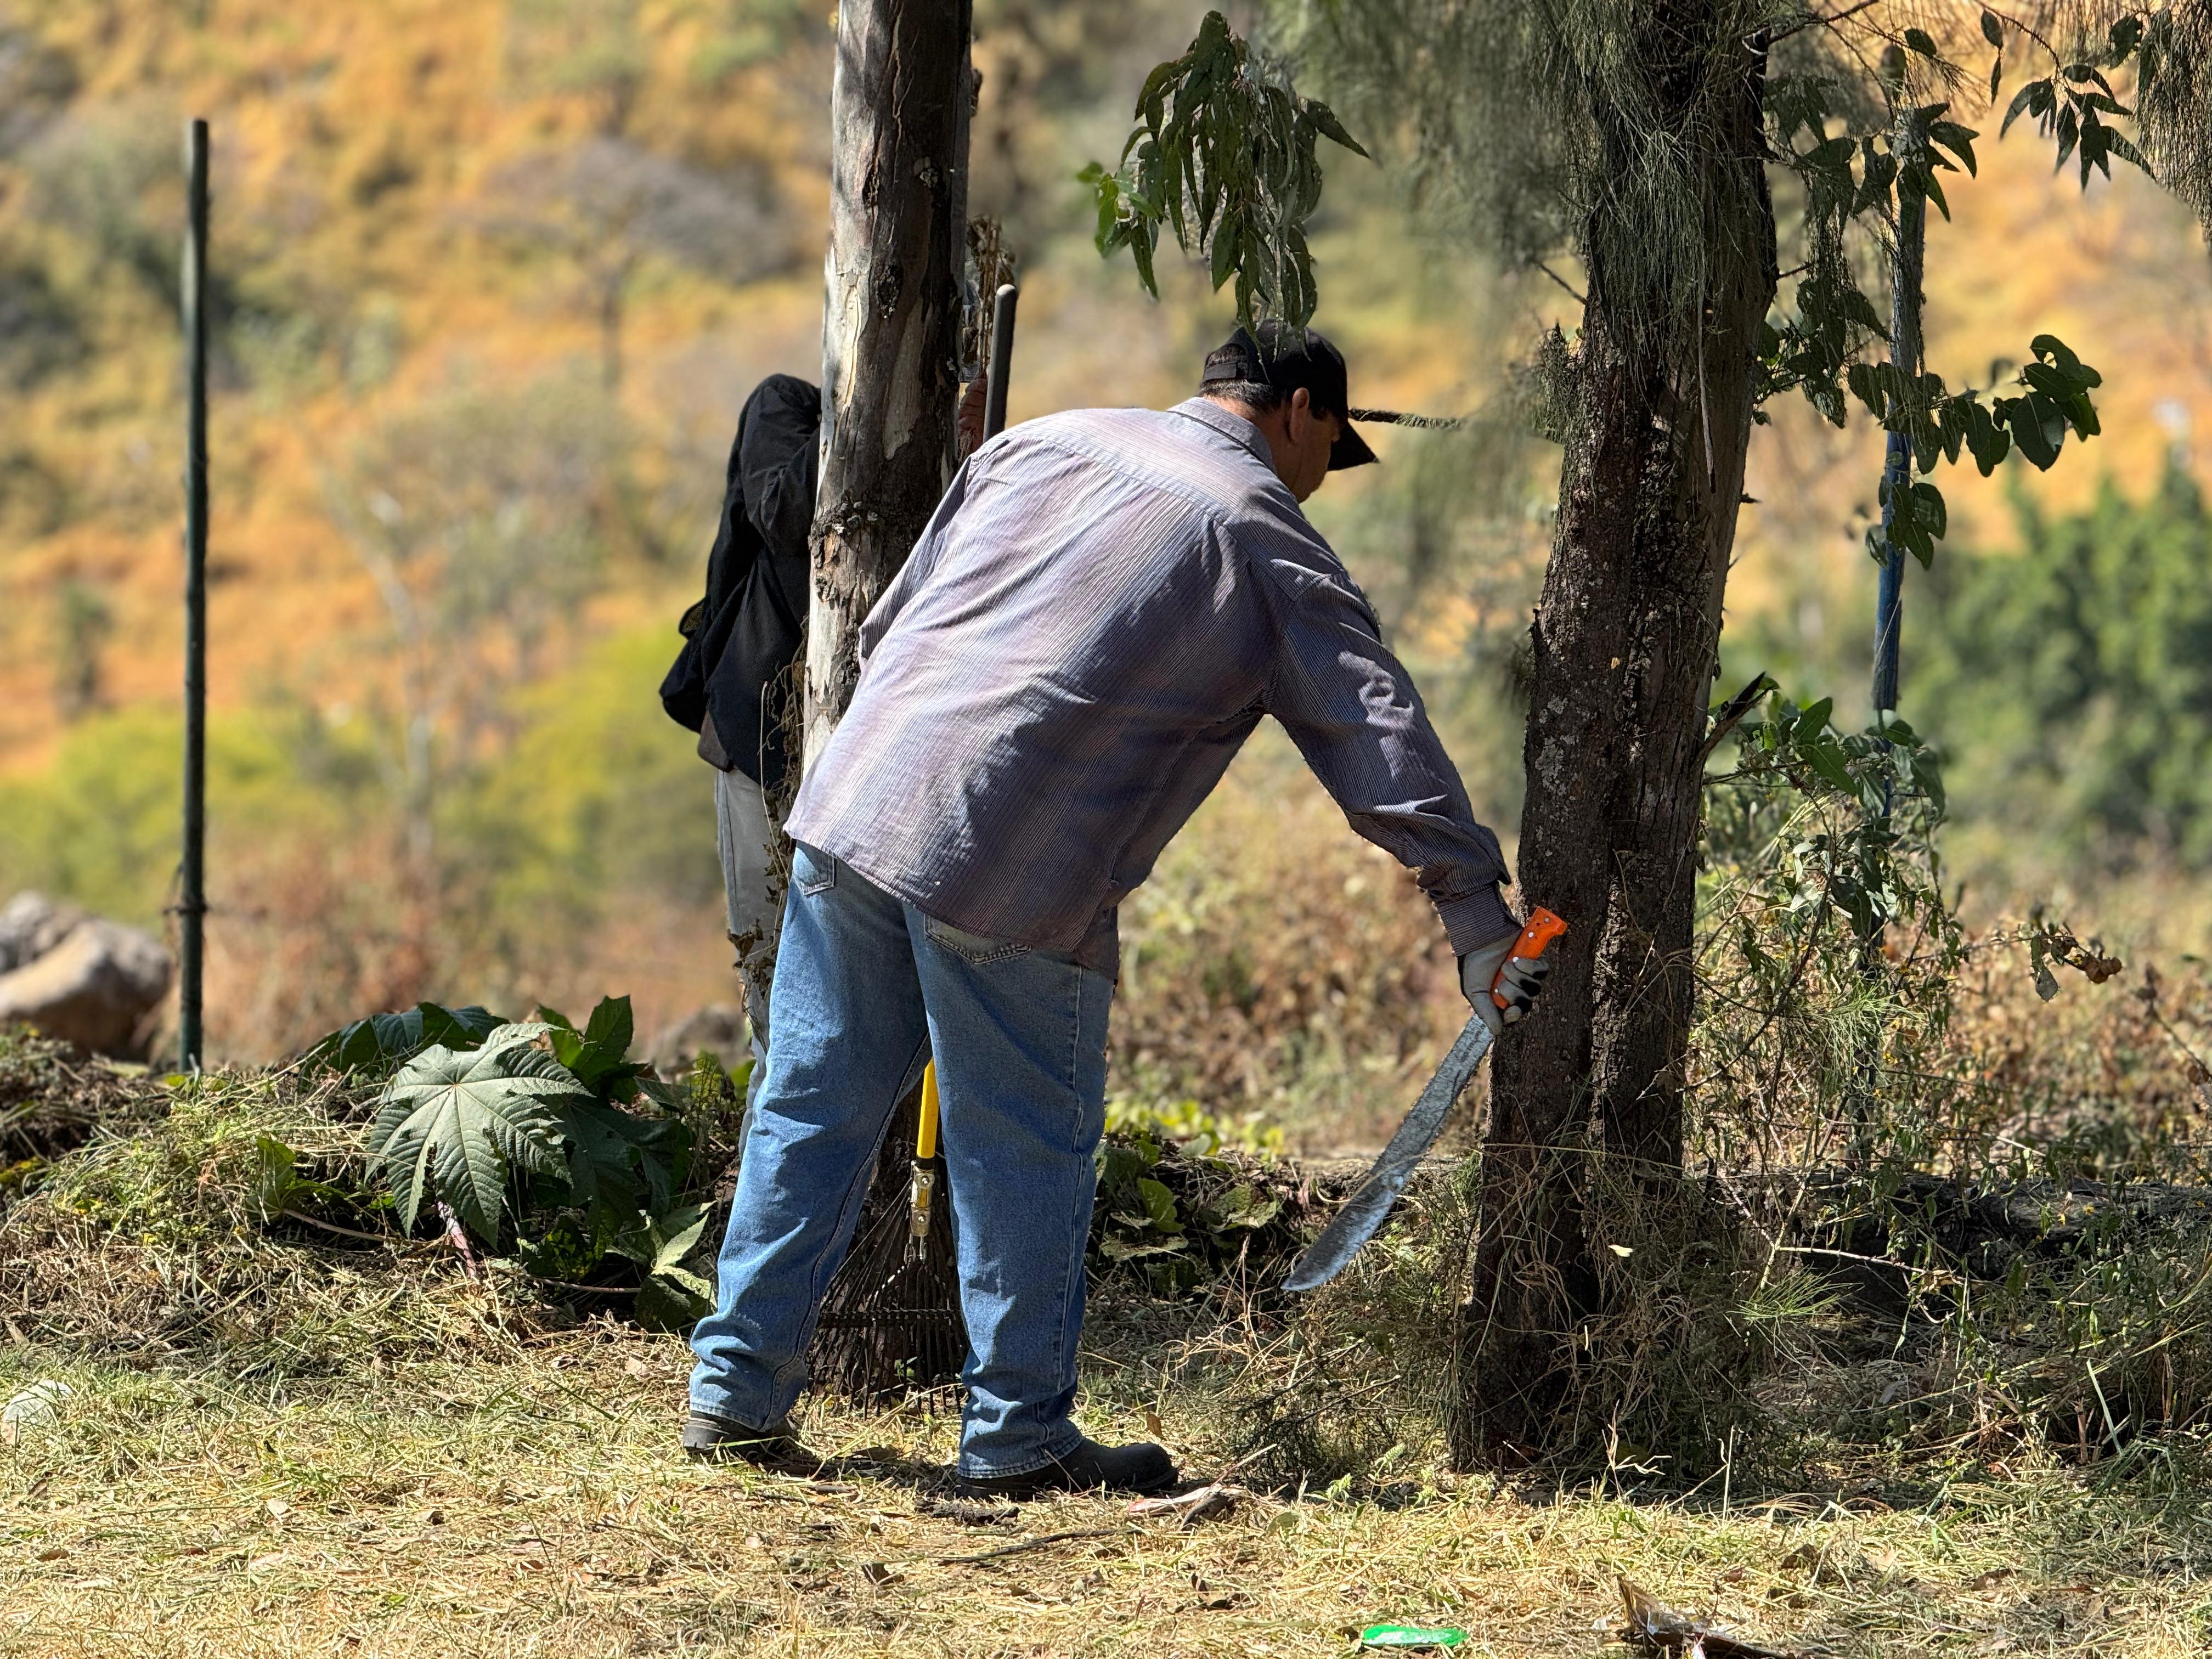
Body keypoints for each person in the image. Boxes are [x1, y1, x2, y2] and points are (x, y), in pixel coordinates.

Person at [682, 325, 1550, 1497]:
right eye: (1328, 450)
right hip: (1010, 860)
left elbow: (889, 624)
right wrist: (1476, 915)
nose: (1319, 480)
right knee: (1023, 1147)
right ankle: (1015, 1438)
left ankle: (733, 1399)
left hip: (859, 801)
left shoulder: (1041, 444)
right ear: (1299, 411)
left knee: (810, 1105)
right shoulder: (1262, 534)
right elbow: (1374, 735)